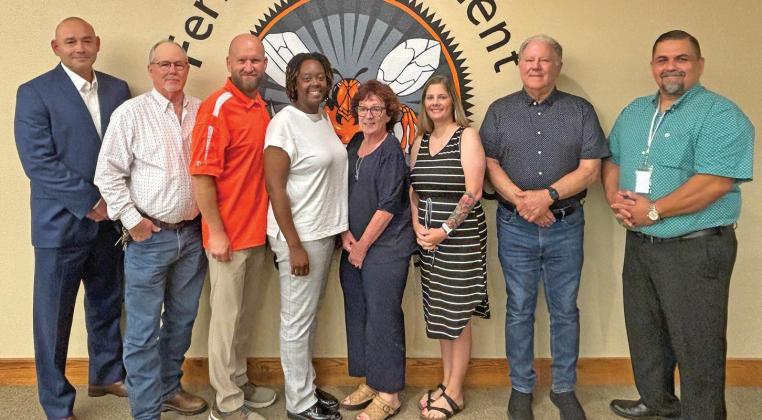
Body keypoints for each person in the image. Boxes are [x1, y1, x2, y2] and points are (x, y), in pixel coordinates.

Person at [603, 30, 754, 420]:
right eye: (663, 59)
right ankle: (657, 402)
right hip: (642, 245)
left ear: (699, 65)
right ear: (653, 66)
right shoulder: (635, 112)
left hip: (696, 248)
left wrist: (653, 211)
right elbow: (613, 159)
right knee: (646, 332)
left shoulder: (721, 114)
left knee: (697, 343)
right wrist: (616, 199)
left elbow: (715, 181)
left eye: (682, 59)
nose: (671, 66)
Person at [480, 34, 609, 420]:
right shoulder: (500, 111)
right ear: (519, 65)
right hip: (514, 224)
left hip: (566, 226)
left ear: (558, 66)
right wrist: (524, 202)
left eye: (544, 60)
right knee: (519, 309)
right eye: (529, 60)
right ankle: (521, 387)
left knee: (565, 309)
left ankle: (564, 388)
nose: (536, 66)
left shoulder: (581, 111)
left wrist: (547, 196)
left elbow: (591, 170)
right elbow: (488, 163)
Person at [13, 16, 130, 420]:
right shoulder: (34, 93)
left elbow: (127, 151)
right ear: (55, 47)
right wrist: (88, 201)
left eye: (85, 41)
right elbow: (38, 162)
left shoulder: (118, 89)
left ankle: (107, 374)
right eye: (70, 42)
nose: (79, 48)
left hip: (110, 222)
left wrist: (118, 204)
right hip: (59, 224)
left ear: (97, 43)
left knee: (107, 301)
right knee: (52, 319)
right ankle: (56, 403)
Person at [94, 40, 208, 420]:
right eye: (164, 64)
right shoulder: (131, 114)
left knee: (181, 321)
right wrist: (133, 220)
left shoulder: (201, 112)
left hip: (192, 236)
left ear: (187, 69)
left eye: (178, 64)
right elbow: (107, 175)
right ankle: (146, 411)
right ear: (151, 70)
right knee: (143, 331)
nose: (172, 70)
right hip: (149, 238)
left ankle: (169, 388)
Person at [190, 33, 277, 420]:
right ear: (229, 63)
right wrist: (217, 232)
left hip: (258, 234)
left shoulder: (261, 107)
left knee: (243, 317)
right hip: (229, 236)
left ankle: (238, 381)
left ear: (264, 64)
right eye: (242, 60)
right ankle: (226, 406)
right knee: (225, 322)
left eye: (256, 60)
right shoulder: (217, 107)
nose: (249, 66)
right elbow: (202, 176)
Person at [263, 52, 346, 420]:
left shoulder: (321, 118)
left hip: (322, 233)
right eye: (308, 77)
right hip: (300, 237)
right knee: (296, 322)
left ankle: (306, 388)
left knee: (307, 318)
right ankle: (298, 404)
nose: (316, 83)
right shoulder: (284, 123)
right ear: (293, 82)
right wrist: (294, 245)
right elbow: (275, 188)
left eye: (322, 77)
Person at [409, 74, 488, 420]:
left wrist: (443, 229)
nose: (435, 103)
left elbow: (473, 191)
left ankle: (455, 391)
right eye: (429, 97)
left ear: (452, 101)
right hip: (427, 240)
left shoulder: (466, 136)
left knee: (457, 314)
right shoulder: (421, 141)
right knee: (440, 313)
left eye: (441, 97)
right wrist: (417, 225)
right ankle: (444, 382)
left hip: (460, 237)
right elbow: (413, 189)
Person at [338, 80, 416, 420]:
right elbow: (338, 191)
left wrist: (363, 246)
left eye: (376, 109)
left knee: (383, 317)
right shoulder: (354, 143)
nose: (368, 115)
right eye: (363, 108)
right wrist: (345, 236)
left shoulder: (391, 150)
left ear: (389, 114)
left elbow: (387, 206)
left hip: (385, 248)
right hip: (352, 245)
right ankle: (371, 380)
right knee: (359, 314)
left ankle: (389, 393)